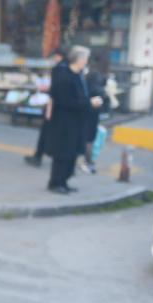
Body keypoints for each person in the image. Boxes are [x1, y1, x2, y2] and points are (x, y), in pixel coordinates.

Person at [43, 46, 99, 195]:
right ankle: (55, 183)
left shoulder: (79, 74)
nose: (86, 62)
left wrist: (90, 100)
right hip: (63, 122)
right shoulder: (63, 76)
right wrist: (89, 103)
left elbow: (82, 96)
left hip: (77, 121)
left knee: (72, 153)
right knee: (62, 153)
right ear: (78, 59)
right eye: (85, 59)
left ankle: (64, 181)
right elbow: (65, 101)